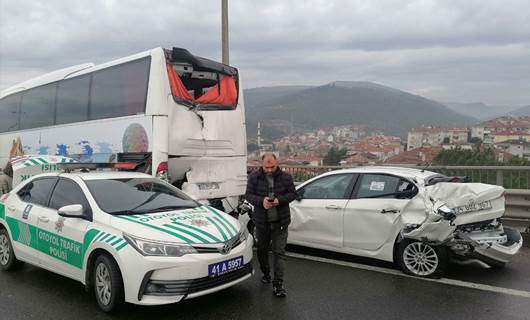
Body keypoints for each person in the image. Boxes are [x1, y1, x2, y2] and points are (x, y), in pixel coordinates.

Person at [245, 153, 296, 297]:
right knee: (262, 250)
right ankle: (266, 273)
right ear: (261, 164)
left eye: (272, 166)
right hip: (262, 222)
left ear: (277, 163)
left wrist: (279, 200)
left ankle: (278, 285)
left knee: (279, 253)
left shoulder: (286, 177)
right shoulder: (254, 177)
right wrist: (262, 201)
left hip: (281, 222)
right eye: (266, 167)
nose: (269, 170)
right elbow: (248, 195)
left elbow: (293, 194)